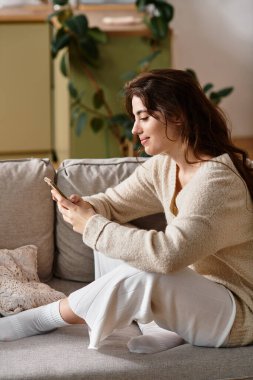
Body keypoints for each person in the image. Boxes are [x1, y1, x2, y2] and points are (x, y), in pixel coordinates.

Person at [1, 69, 253, 354]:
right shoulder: (165, 165)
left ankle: (37, 319)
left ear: (178, 115)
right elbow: (112, 204)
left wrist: (91, 225)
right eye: (135, 118)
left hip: (235, 312)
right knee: (108, 233)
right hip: (193, 295)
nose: (135, 129)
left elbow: (168, 256)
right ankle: (165, 327)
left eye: (144, 117)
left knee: (146, 267)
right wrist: (87, 208)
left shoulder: (217, 181)